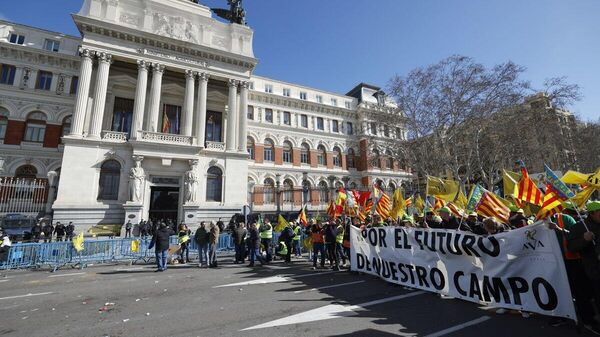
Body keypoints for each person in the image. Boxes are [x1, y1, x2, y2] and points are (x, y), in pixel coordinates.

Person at [549, 212, 597, 330]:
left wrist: (559, 229)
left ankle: (588, 319)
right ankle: (563, 315)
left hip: (572, 261)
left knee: (580, 291)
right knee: (560, 290)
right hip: (553, 263)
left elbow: (575, 236)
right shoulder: (538, 222)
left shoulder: (566, 219)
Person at [567, 200, 600, 334]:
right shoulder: (580, 227)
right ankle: (590, 322)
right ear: (592, 214)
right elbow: (571, 247)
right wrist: (584, 240)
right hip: (590, 270)